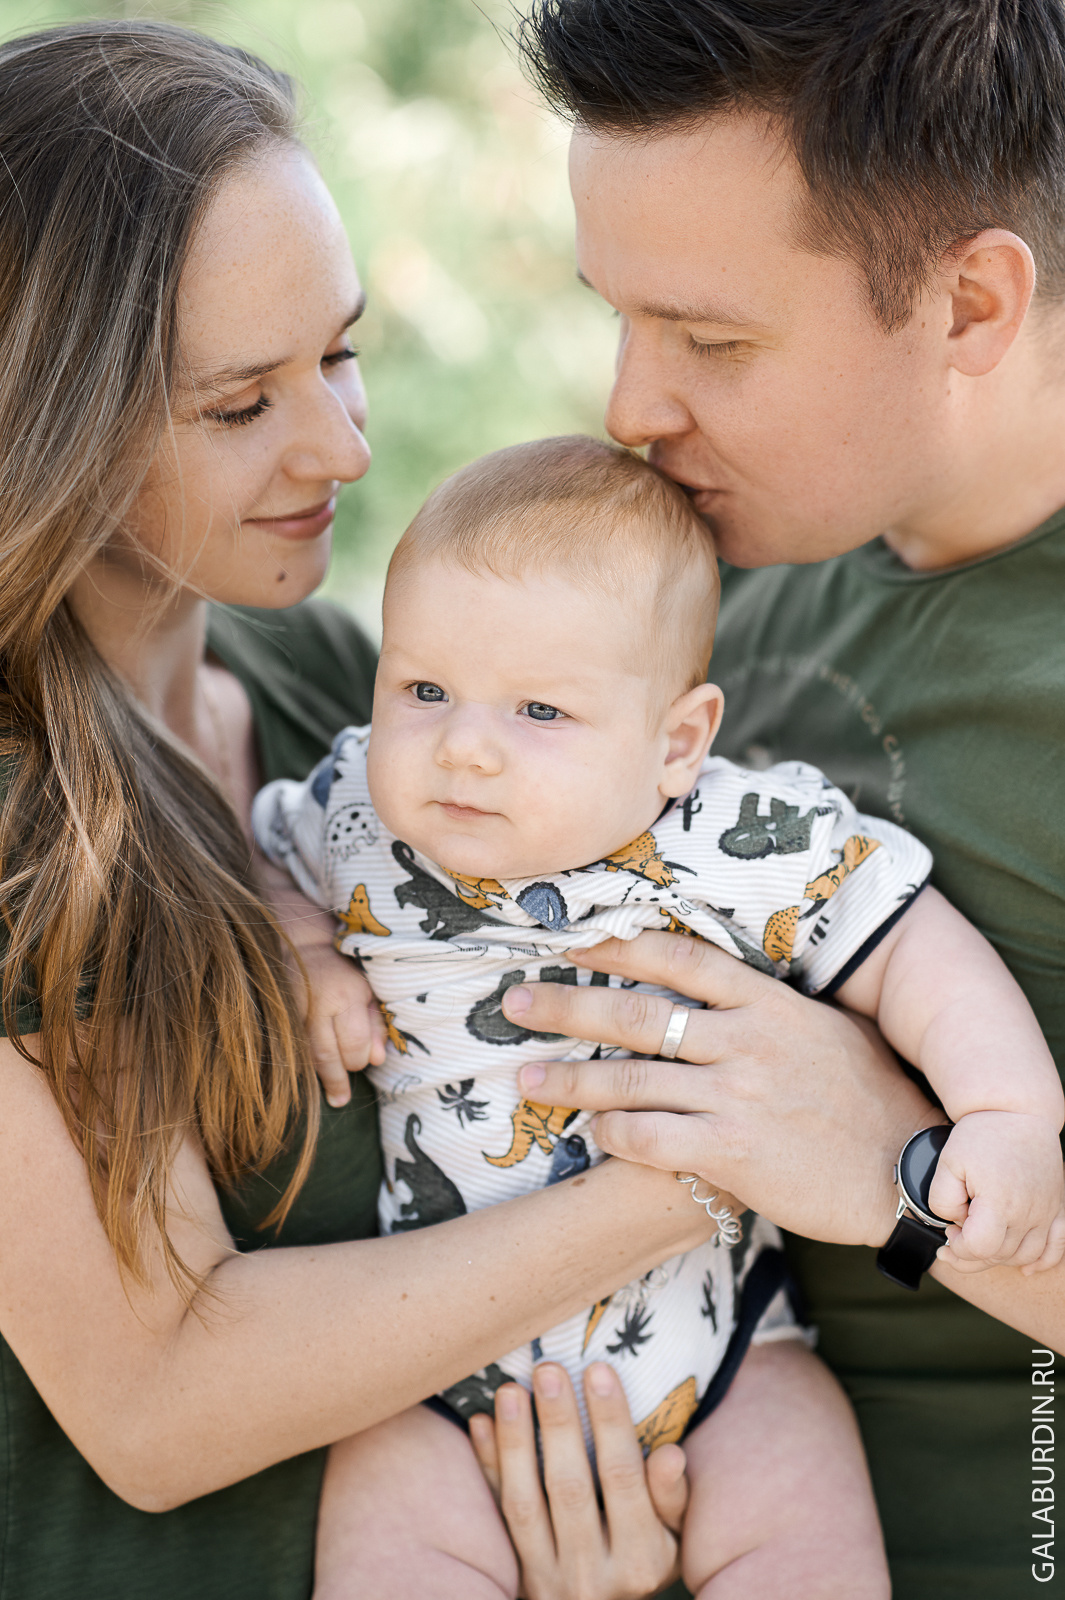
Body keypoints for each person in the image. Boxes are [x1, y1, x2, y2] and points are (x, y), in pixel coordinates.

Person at [0, 21, 763, 1600]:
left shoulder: (345, 685)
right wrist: (709, 1163)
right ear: (42, 422)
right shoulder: (31, 827)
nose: (343, 446)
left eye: (338, 354)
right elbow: (158, 1400)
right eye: (237, 405)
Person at [251, 430, 1064, 1597]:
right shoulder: (350, 817)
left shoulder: (727, 842)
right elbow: (253, 845)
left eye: (540, 710)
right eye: (423, 688)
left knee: (802, 1531)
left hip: (723, 1352)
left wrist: (1005, 1110)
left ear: (677, 741)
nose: (465, 747)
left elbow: (910, 946)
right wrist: (300, 941)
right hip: (431, 1379)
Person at [511, 1, 1065, 1594]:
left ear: (969, 303)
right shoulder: (710, 597)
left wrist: (893, 1174)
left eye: (712, 340)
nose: (629, 406)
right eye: (616, 318)